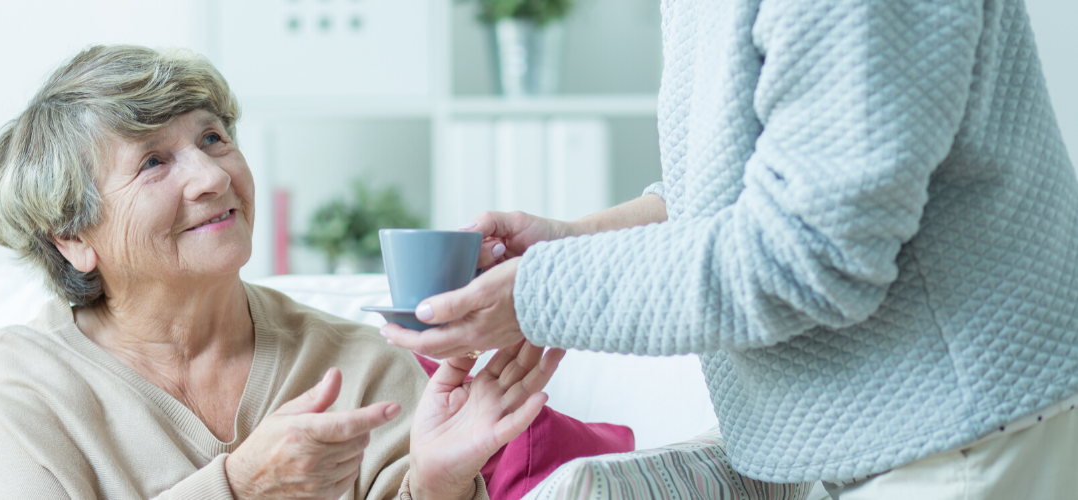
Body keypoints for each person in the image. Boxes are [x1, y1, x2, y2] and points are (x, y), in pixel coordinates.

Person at [382, 0, 1078, 498]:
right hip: (872, 437)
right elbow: (748, 191)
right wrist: (568, 242)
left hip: (954, 434)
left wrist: (535, 295)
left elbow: (811, 252)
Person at [0, 44, 621, 500]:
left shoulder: (354, 362)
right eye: (154, 161)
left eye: (213, 138)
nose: (213, 176)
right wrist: (236, 486)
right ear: (71, 238)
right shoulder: (23, 385)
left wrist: (439, 482)